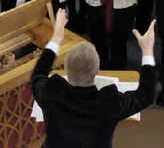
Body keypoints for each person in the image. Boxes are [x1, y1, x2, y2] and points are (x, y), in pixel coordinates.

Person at [31, 8, 156, 148]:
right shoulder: (109, 101)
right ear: (97, 72)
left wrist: (57, 37)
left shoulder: (52, 93)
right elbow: (145, 95)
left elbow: (38, 75)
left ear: (66, 70)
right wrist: (147, 50)